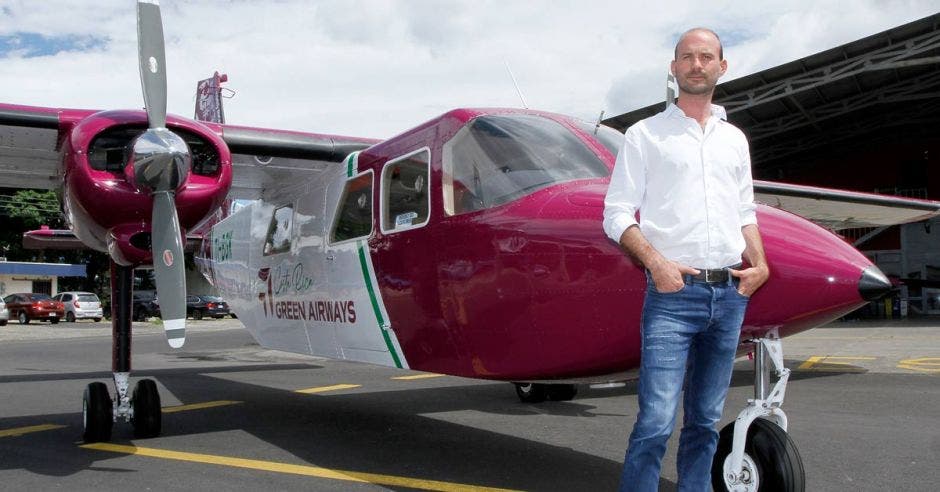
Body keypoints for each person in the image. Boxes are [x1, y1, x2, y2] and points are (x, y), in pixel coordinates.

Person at [602, 28, 769, 491]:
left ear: (721, 66)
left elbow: (744, 211)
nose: (697, 65)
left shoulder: (734, 140)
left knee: (705, 420)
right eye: (687, 57)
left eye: (706, 56)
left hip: (730, 295)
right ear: (674, 69)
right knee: (655, 421)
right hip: (673, 296)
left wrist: (761, 265)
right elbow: (615, 213)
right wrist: (656, 262)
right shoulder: (644, 135)